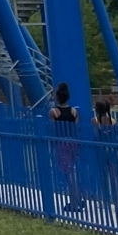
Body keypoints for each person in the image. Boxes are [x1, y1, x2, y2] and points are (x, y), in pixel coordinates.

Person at [49, 82, 83, 212]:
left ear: (57, 97)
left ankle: (75, 201)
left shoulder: (54, 112)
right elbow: (76, 128)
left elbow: (53, 129)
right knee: (73, 170)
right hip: (73, 142)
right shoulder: (74, 111)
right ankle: (77, 198)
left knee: (69, 173)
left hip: (61, 143)